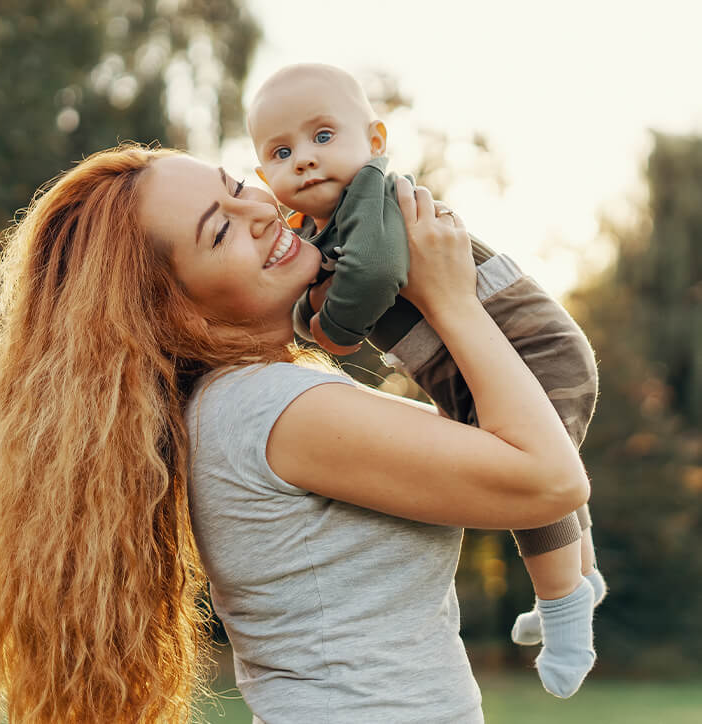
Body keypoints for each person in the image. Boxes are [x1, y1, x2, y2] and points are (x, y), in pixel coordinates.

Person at [0, 144, 588, 724]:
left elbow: (494, 435)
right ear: (177, 311)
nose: (262, 209)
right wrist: (452, 301)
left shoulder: (247, 402)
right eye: (220, 230)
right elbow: (549, 479)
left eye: (239, 186)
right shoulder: (274, 410)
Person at [247, 63, 608, 699]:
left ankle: (564, 610)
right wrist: (306, 314)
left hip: (532, 351)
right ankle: (580, 576)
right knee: (546, 466)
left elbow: (378, 272)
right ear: (263, 176)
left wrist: (331, 328)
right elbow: (317, 285)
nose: (304, 159)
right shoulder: (318, 229)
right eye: (282, 151)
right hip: (475, 368)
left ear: (376, 141)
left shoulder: (370, 197)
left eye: (322, 136)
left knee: (526, 481)